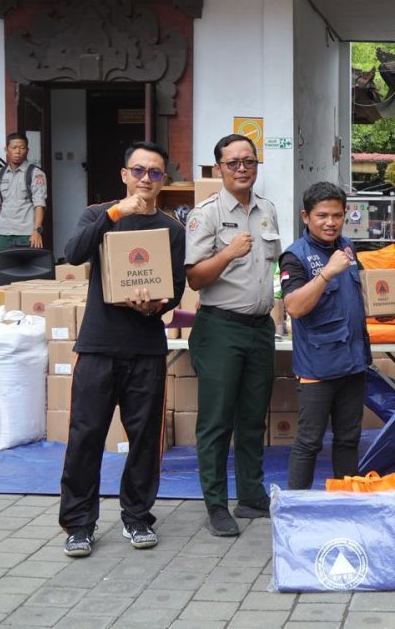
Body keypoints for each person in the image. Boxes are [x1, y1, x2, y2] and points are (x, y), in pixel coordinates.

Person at [58, 141, 185, 557]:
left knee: (145, 439)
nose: (147, 179)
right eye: (139, 171)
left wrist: (156, 305)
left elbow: (176, 291)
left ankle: (137, 517)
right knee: (85, 436)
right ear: (124, 174)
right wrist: (116, 213)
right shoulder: (99, 215)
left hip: (145, 346)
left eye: (155, 173)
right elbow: (74, 253)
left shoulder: (171, 229)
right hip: (97, 345)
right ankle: (79, 524)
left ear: (163, 181)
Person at [185, 134, 281, 536]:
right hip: (221, 328)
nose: (242, 168)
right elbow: (193, 278)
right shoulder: (205, 214)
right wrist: (227, 253)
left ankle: (251, 496)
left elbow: (272, 271)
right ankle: (216, 506)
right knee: (217, 421)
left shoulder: (268, 211)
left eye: (249, 161)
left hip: (260, 328)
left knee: (252, 417)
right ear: (219, 169)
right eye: (233, 163)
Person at [280, 182, 371, 489]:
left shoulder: (347, 247)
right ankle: (296, 513)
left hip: (353, 363)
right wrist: (327, 273)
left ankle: (346, 506)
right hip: (318, 367)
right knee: (309, 442)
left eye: (337, 215)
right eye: (322, 215)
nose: (330, 222)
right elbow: (294, 307)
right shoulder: (295, 256)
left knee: (348, 440)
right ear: (306, 216)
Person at [0, 132, 47, 251]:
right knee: (5, 269)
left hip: (26, 234)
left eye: (22, 148)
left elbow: (39, 204)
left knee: (27, 269)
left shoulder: (35, 174)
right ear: (6, 150)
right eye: (14, 147)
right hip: (4, 233)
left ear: (27, 150)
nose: (18, 151)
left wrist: (37, 230)